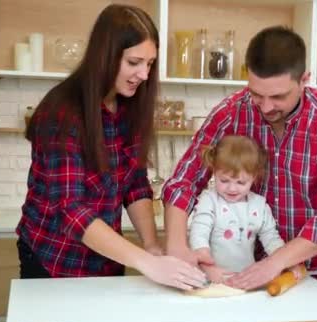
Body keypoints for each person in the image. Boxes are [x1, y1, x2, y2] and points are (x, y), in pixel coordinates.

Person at [16, 4, 206, 290]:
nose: (144, 74)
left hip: (105, 260)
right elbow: (71, 210)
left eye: (150, 63)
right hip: (53, 261)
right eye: (134, 62)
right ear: (105, 56)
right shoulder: (61, 112)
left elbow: (135, 184)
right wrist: (147, 262)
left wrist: (153, 246)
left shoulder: (128, 106)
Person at [162, 26, 317, 290]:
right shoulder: (232, 112)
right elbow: (183, 182)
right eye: (256, 94)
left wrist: (275, 262)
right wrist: (176, 246)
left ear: (304, 80)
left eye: (278, 96)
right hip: (246, 269)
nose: (266, 107)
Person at [188, 135, 285, 283]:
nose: (232, 188)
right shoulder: (209, 200)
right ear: (214, 172)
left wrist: (285, 262)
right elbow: (199, 231)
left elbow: (271, 238)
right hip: (210, 276)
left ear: (254, 177)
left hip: (245, 278)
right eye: (224, 180)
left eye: (241, 182)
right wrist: (205, 262)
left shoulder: (259, 205)